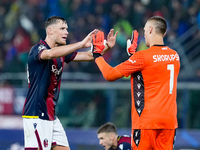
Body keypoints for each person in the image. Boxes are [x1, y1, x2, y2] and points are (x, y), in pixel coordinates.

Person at [22, 16, 117, 150]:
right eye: (62, 29)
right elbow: (49, 54)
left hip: (51, 115)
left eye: (66, 29)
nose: (66, 32)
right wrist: (81, 44)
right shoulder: (37, 50)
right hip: (36, 114)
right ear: (50, 31)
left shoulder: (61, 52)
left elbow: (88, 56)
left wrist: (107, 47)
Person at [93, 16, 180, 150]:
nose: (144, 34)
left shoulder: (143, 56)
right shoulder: (175, 56)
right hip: (169, 121)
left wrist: (97, 55)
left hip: (147, 121)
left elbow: (109, 75)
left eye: (145, 30)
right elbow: (151, 72)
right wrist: (133, 57)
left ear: (150, 29)